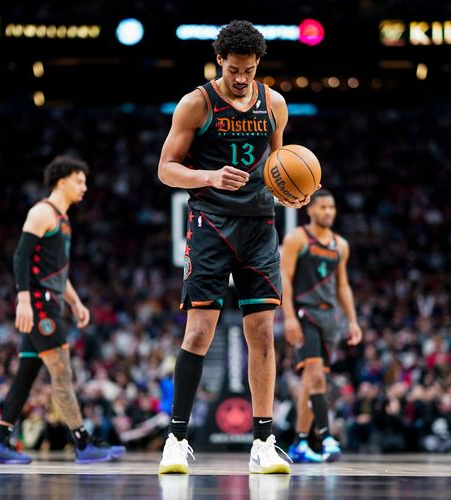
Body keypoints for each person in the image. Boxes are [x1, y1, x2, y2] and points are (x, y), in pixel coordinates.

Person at [156, 20, 310, 474]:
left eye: (250, 68)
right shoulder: (196, 104)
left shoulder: (275, 103)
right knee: (199, 332)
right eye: (234, 68)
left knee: (262, 334)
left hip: (260, 225)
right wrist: (208, 176)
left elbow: (278, 166)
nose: (242, 77)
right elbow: (166, 168)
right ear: (219, 60)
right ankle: (177, 439)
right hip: (211, 223)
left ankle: (263, 441)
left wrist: (291, 193)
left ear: (258, 63)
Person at [0, 156, 119, 464]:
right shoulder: (42, 212)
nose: (84, 187)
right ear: (61, 181)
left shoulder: (64, 220)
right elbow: (20, 257)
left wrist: (75, 301)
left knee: (26, 375)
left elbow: (56, 273)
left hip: (51, 301)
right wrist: (24, 299)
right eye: (79, 181)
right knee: (62, 373)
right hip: (41, 306)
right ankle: (83, 444)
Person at [280, 190, 361, 462]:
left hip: (330, 319)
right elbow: (285, 280)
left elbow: (343, 286)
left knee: (310, 382)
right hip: (305, 313)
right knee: (316, 377)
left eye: (332, 207)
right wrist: (288, 316)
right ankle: (326, 438)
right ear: (310, 210)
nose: (329, 212)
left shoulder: (341, 245)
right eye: (323, 207)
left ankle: (300, 442)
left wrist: (352, 321)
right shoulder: (297, 239)